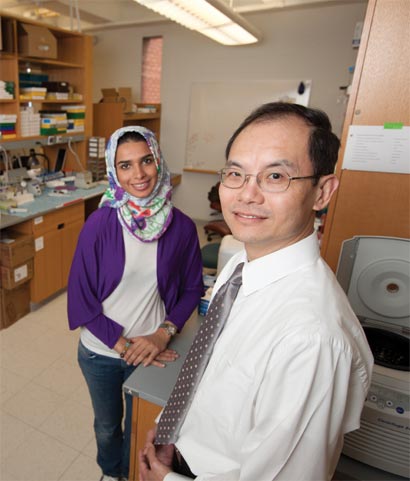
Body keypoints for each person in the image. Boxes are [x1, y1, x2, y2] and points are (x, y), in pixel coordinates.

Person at [139, 102, 374, 481]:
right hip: (182, 451)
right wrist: (172, 430)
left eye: (276, 176)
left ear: (322, 192)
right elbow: (212, 369)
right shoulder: (240, 266)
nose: (247, 194)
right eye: (236, 173)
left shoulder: (311, 339)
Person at [67, 126, 204, 481]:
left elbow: (192, 288)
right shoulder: (99, 224)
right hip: (101, 352)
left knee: (145, 429)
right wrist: (124, 344)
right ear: (114, 172)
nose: (138, 174)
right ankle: (112, 473)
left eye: (145, 161)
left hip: (153, 353)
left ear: (158, 160)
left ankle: (132, 473)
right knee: (107, 426)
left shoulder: (183, 227)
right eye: (125, 166)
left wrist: (162, 334)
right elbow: (81, 298)